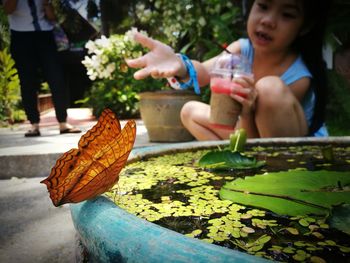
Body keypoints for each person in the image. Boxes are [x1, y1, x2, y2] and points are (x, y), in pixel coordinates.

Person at [126, 0, 331, 140]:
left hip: (291, 150)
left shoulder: (299, 76)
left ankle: (268, 175)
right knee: (189, 111)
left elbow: (258, 136)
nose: (268, 20)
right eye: (263, 6)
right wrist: (180, 65)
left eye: (287, 14)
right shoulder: (241, 49)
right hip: (247, 133)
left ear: (305, 26)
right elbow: (204, 72)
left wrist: (248, 113)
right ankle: (231, 164)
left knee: (269, 88)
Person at [2, 0, 81, 136]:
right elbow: (8, 9)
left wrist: (46, 3)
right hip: (21, 35)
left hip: (45, 34)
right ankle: (34, 124)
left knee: (57, 78)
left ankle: (63, 122)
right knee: (27, 82)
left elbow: (52, 17)